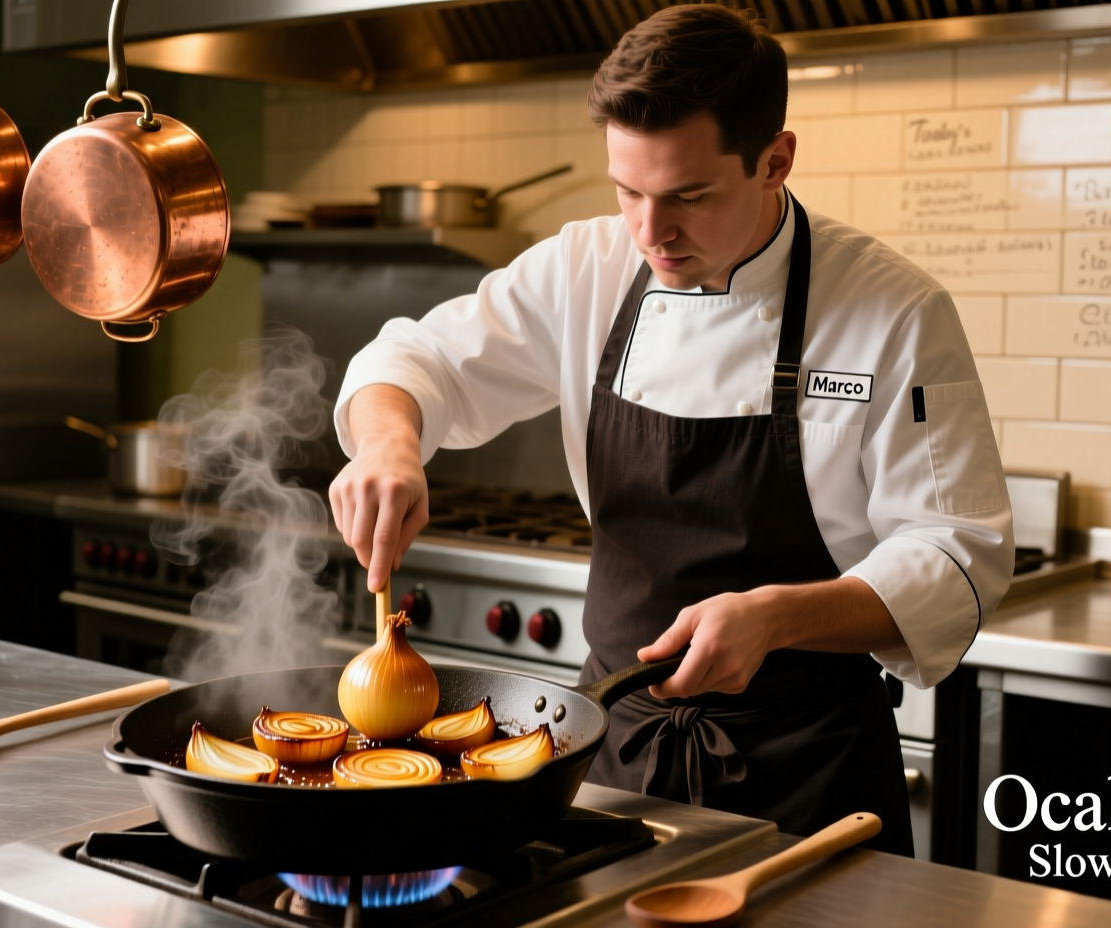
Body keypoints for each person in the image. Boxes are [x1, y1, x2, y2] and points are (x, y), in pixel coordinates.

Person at [329, 4, 1012, 855]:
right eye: (628, 193)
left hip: (809, 777)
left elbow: (956, 556)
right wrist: (391, 444)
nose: (652, 233)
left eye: (689, 196)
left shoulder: (892, 311)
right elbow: (413, 359)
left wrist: (779, 616)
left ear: (776, 160)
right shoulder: (588, 268)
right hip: (609, 755)